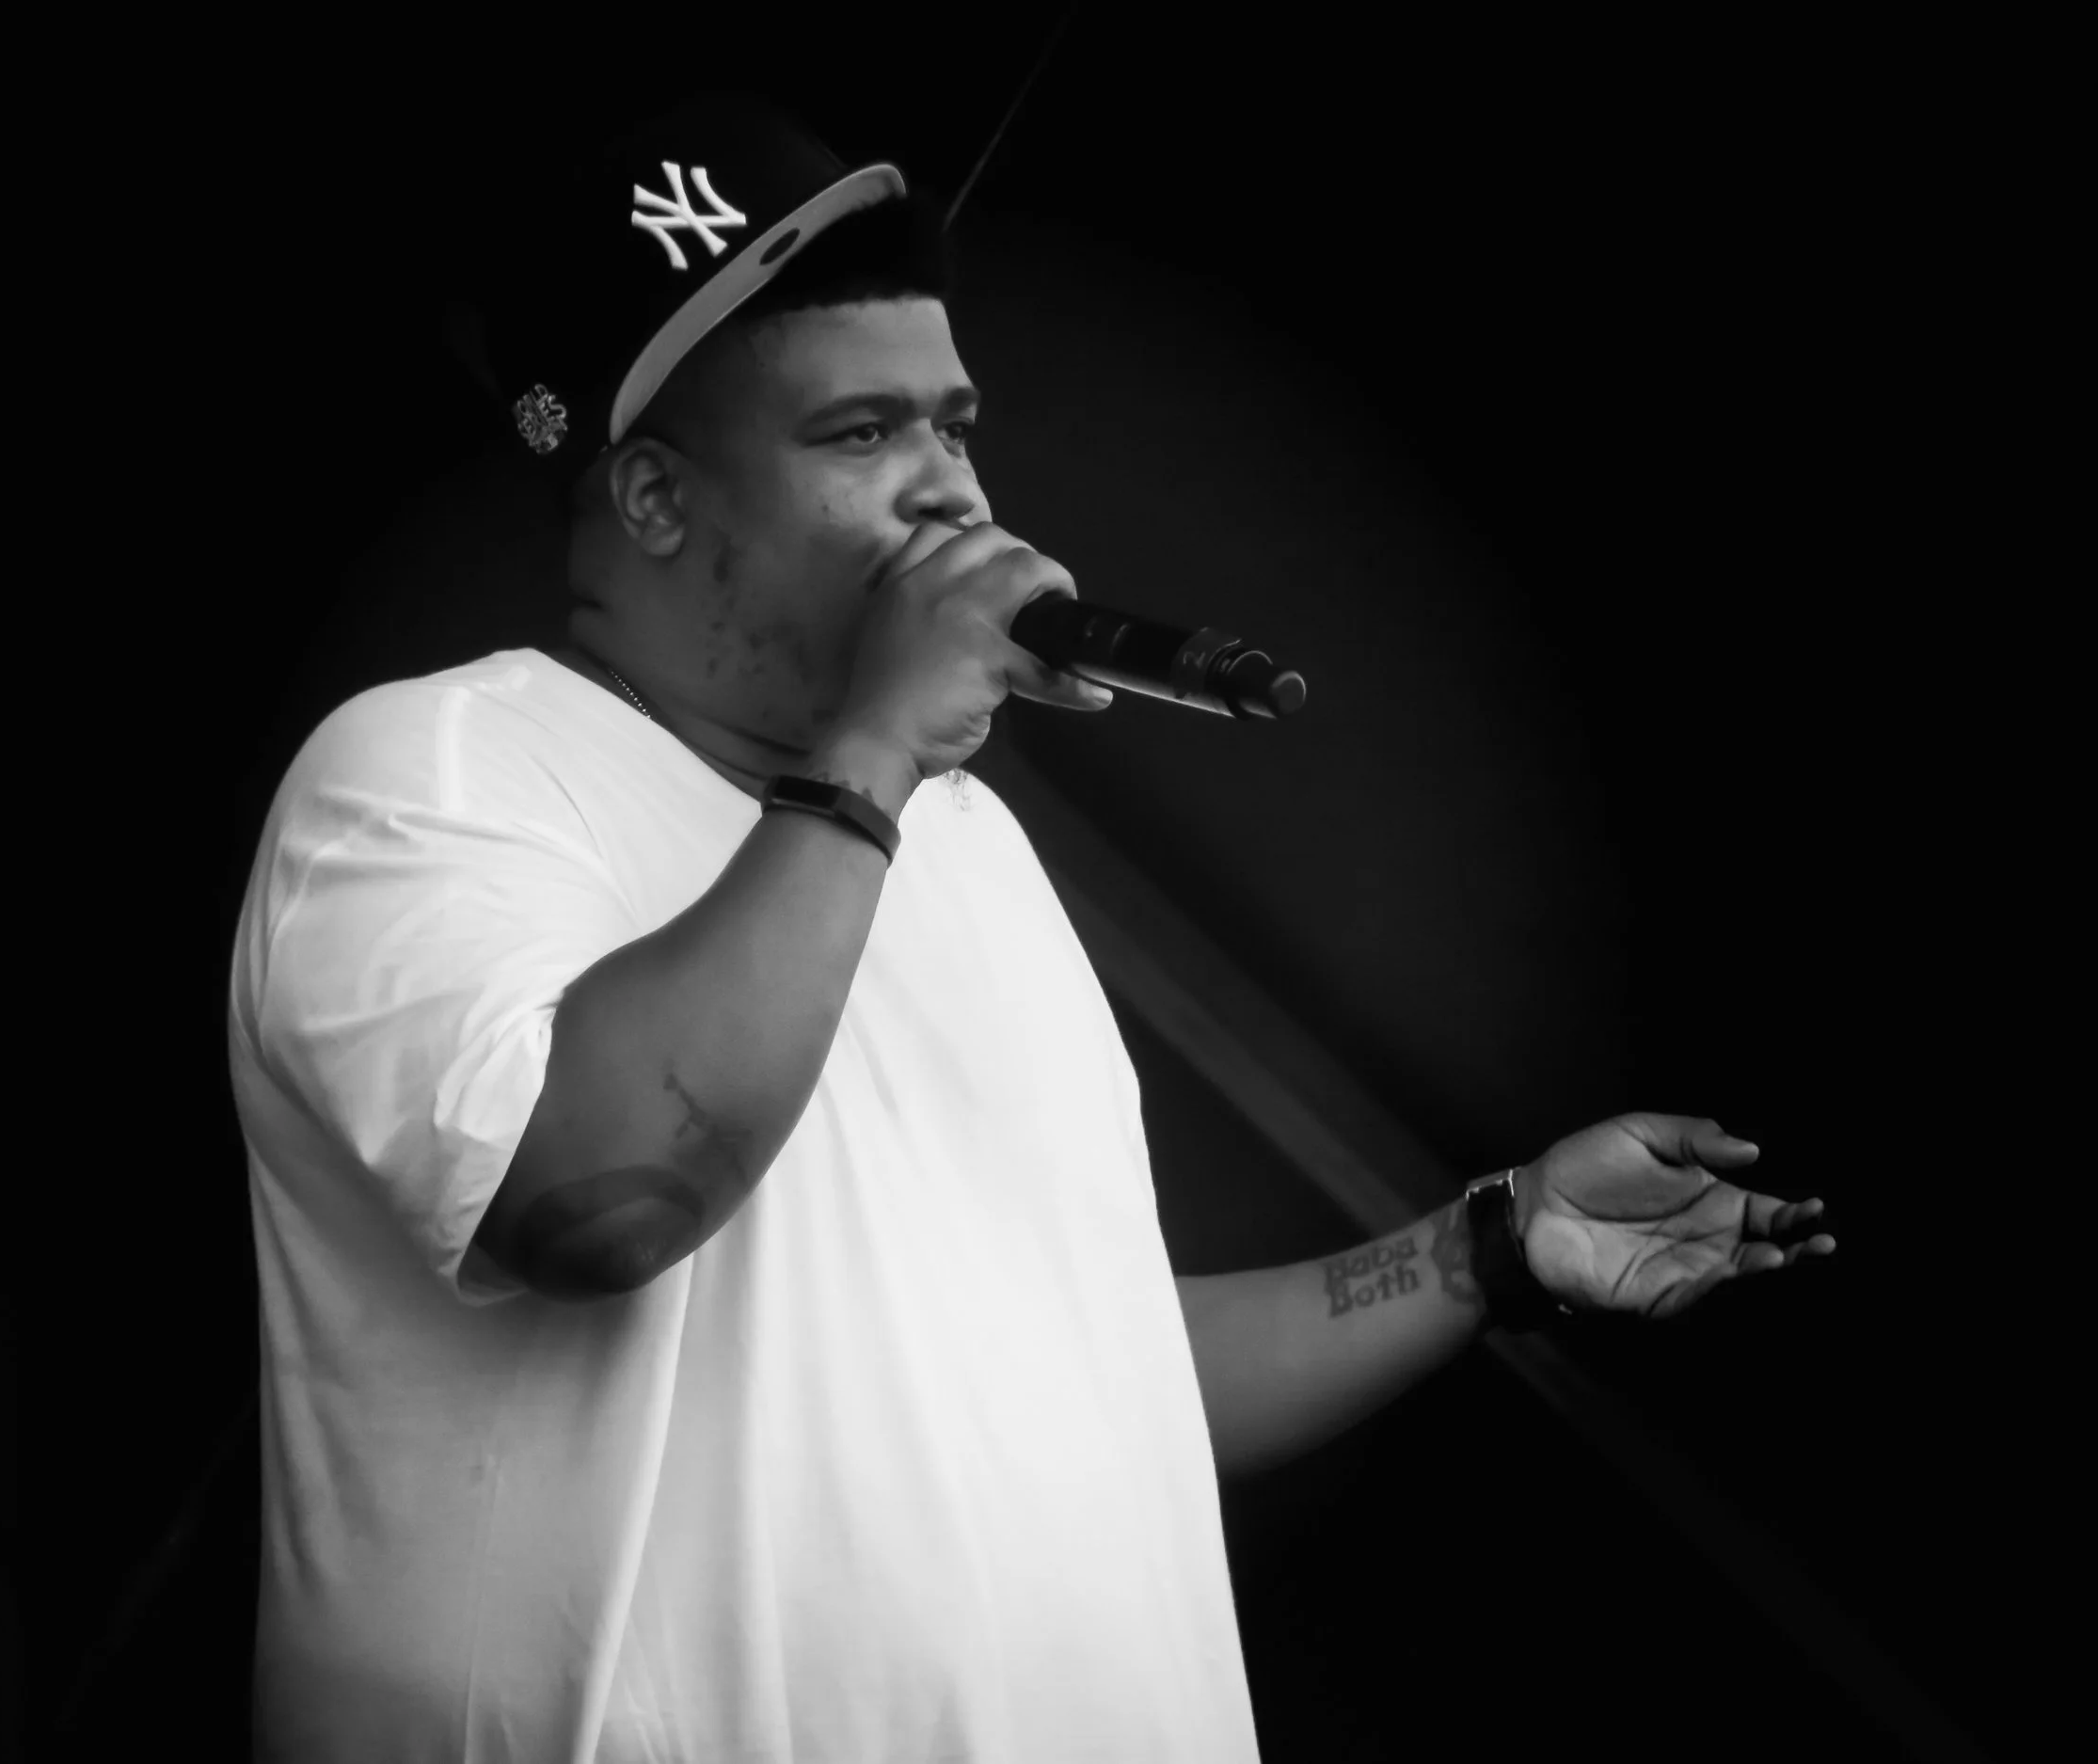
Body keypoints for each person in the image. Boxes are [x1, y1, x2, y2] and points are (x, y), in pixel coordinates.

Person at [227, 92, 1837, 1763]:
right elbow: (587, 1202)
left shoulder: (961, 845)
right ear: (650, 496)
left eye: (955, 424)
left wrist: (1484, 1248)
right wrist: (874, 750)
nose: (948, 486)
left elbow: (1093, 1373)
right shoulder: (435, 769)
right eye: (861, 434)